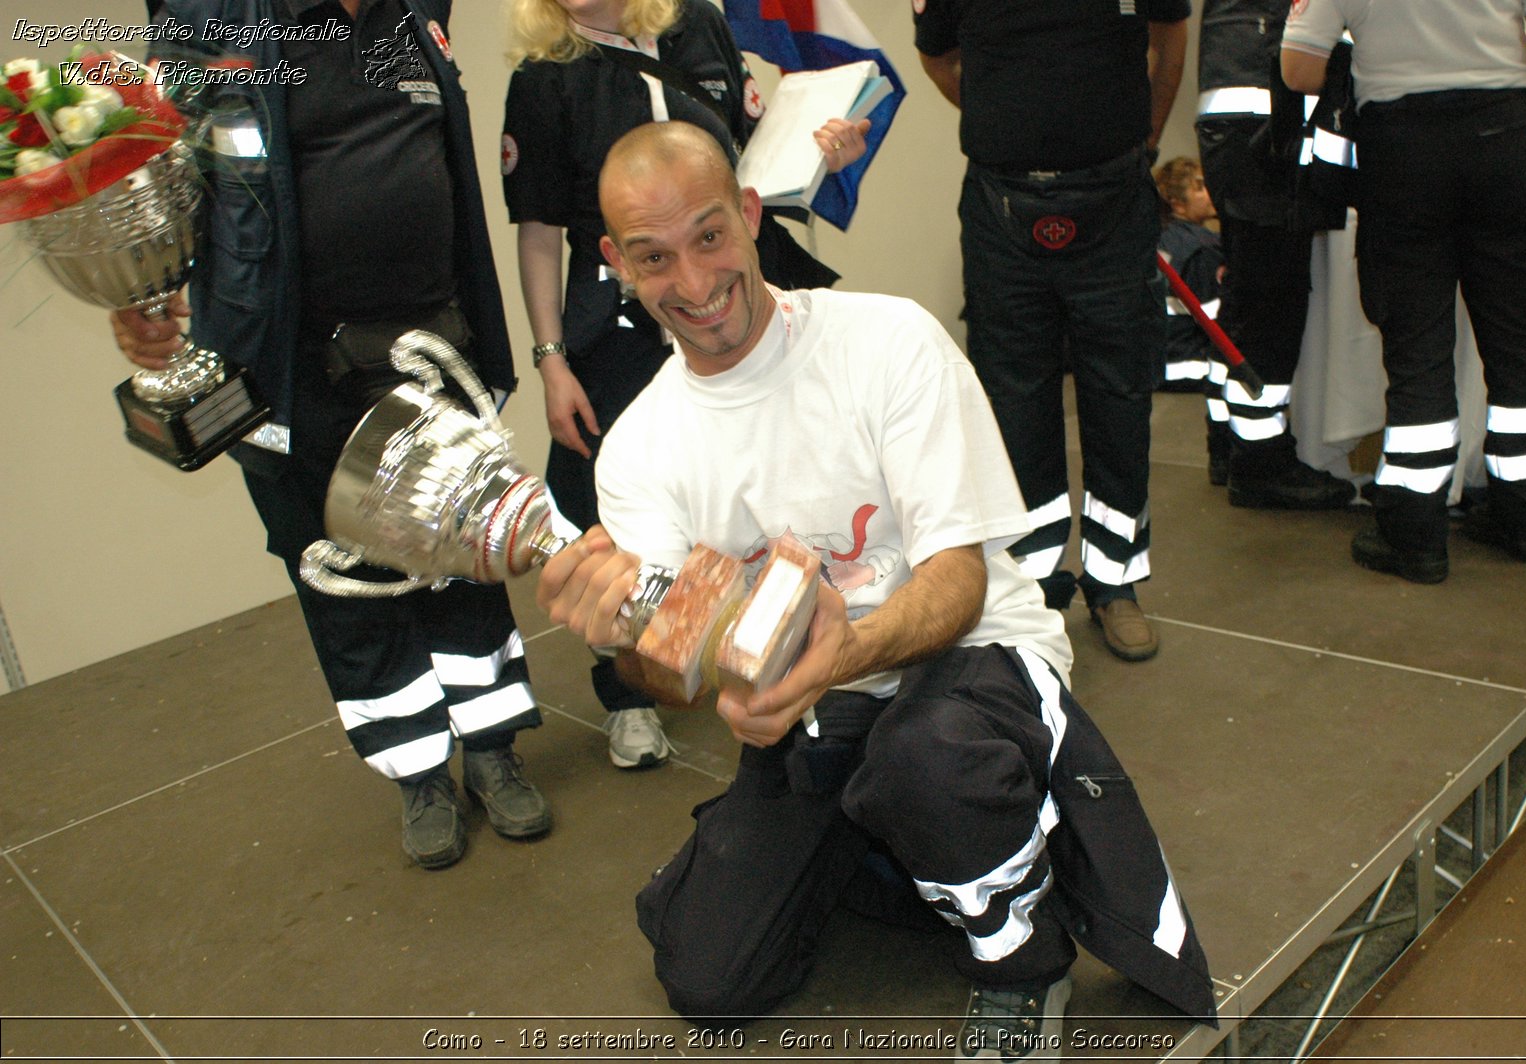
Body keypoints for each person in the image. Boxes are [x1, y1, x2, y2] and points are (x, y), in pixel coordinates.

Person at [537, 121, 1216, 1059]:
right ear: (615, 261)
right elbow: (682, 666)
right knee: (711, 976)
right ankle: (935, 848)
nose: (692, 285)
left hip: (973, 662)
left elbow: (958, 582)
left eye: (708, 237)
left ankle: (1021, 959)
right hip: (831, 711)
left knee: (924, 755)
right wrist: (632, 638)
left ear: (746, 213)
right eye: (654, 258)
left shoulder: (885, 340)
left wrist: (835, 658)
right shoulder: (641, 449)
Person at [111, 0, 550, 869]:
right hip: (298, 374)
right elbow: (164, 187)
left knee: (460, 557)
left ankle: (493, 745)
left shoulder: (414, 15)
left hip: (434, 348)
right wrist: (146, 295)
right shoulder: (214, 24)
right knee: (347, 584)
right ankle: (417, 770)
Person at [501, 0, 867, 769]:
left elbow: (753, 161)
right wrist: (550, 357)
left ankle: (808, 619)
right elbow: (538, 234)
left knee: (779, 449)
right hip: (618, 322)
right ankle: (631, 693)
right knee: (609, 493)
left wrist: (820, 153)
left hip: (731, 294)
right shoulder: (545, 79)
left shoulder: (696, 26)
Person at [912, 0, 1190, 664]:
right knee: (1014, 405)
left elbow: (1170, 35)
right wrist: (1009, 117)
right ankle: (1030, 586)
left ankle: (1115, 582)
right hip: (1003, 209)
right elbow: (938, 56)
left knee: (1118, 397)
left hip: (1114, 202)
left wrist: (1142, 133)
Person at [1282, 0, 1526, 582]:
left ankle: (1415, 534)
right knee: (1518, 342)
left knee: (1416, 348)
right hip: (1506, 139)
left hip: (1402, 149)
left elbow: (1299, 70)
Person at [1193, 0, 1359, 510]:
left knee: (1246, 294)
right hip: (1272, 132)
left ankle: (1231, 443)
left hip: (1237, 125)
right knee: (1273, 305)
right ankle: (1261, 462)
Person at [1153, 157, 1232, 483]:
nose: (1209, 192)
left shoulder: (1158, 241)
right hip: (1190, 368)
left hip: (1155, 367)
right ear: (1177, 203)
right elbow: (1220, 327)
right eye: (1199, 186)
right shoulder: (1203, 251)